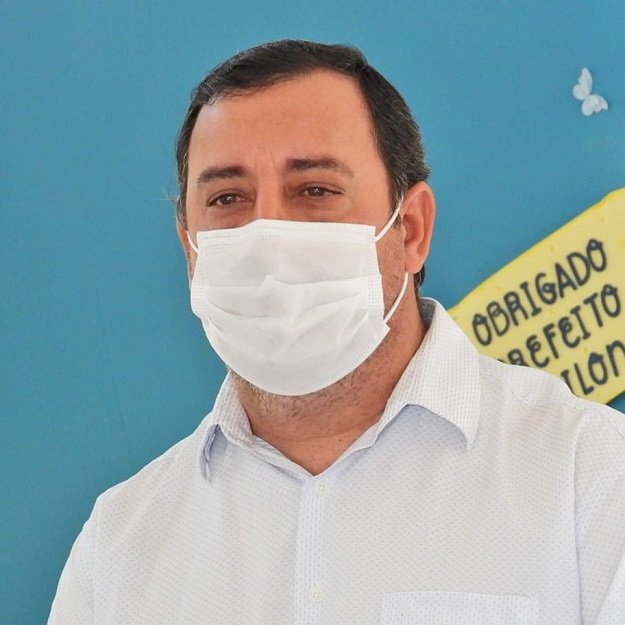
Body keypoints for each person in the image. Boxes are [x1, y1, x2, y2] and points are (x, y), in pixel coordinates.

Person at [48, 40, 625, 625]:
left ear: (411, 229)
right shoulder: (119, 550)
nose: (267, 237)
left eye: (315, 190)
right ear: (190, 250)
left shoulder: (590, 475)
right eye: (227, 198)